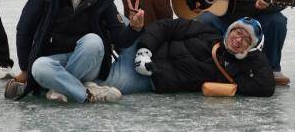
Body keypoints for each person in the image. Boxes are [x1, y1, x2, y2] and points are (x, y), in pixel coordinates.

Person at [4, 0, 144, 103]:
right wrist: (25, 69)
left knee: (93, 41)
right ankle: (86, 92)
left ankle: (58, 87)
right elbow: (24, 31)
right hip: (53, 60)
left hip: (89, 61)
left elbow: (120, 39)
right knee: (39, 67)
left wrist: (135, 28)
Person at [103, 17, 275, 97]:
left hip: (147, 78)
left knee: (101, 84)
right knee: (105, 19)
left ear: (251, 48)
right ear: (230, 30)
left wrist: (255, 53)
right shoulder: (208, 33)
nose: (238, 40)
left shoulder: (232, 73)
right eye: (238, 32)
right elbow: (168, 26)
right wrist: (144, 50)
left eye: (246, 40)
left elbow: (265, 87)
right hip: (142, 43)